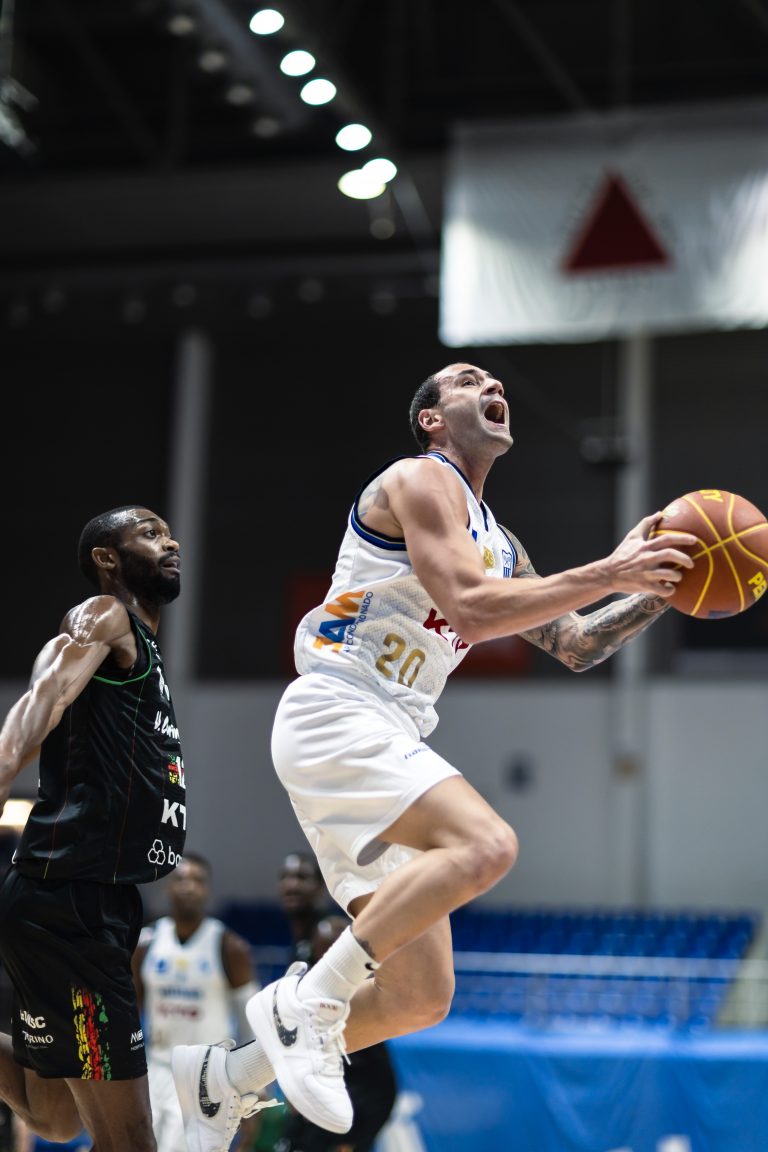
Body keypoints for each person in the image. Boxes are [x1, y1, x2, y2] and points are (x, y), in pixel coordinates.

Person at [171, 362, 697, 1150]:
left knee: (421, 997)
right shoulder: (419, 478)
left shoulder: (501, 543)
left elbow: (577, 644)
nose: (494, 385)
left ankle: (223, 1078)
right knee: (487, 845)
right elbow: (471, 609)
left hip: (386, 733)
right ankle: (306, 1005)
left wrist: (659, 588)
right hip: (340, 708)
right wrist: (610, 569)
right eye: (469, 379)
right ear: (432, 418)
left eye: (496, 381)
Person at [0, 505, 187, 1152]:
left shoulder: (142, 654)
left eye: (169, 533)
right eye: (151, 533)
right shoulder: (104, 616)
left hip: (90, 899)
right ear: (107, 558)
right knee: (130, 1141)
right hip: (71, 900)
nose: (171, 542)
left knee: (52, 1118)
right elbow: (45, 697)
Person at [133, 852, 267, 1152]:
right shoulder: (146, 944)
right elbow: (130, 1015)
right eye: (181, 879)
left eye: (197, 880)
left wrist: (255, 1087)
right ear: (168, 887)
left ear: (208, 890)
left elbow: (251, 1022)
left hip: (206, 1074)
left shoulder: (230, 947)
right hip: (155, 1068)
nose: (189, 886)